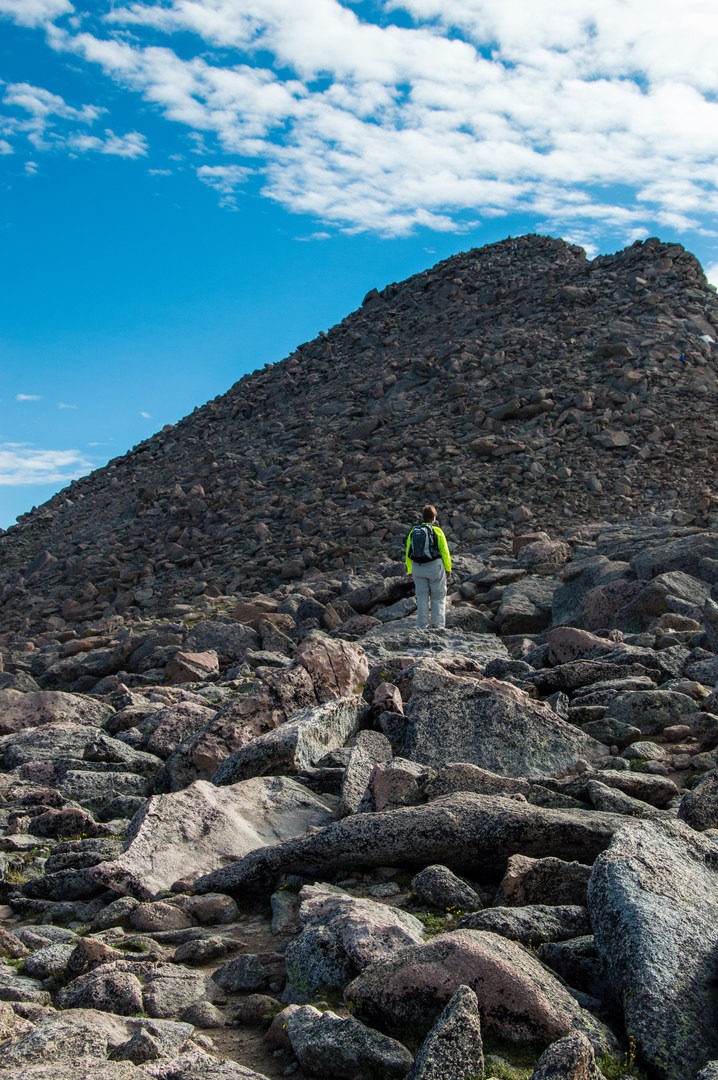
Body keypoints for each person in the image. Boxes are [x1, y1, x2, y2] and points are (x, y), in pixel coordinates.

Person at [405, 504, 452, 630]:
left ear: (423, 517)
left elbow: (408, 552)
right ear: (434, 517)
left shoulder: (413, 531)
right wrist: (448, 568)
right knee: (438, 596)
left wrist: (410, 570)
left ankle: (422, 626)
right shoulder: (437, 531)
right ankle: (438, 626)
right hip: (434, 567)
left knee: (422, 596)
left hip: (417, 567)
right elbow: (444, 552)